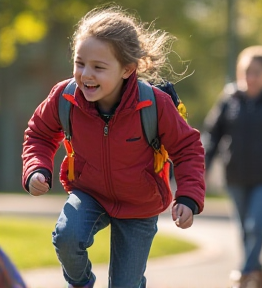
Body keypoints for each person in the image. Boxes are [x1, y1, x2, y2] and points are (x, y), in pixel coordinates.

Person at [21, 5, 205, 288]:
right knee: (67, 237)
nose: (86, 75)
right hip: (89, 192)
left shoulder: (154, 104)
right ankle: (81, 283)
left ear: (127, 69)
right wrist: (36, 168)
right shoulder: (65, 96)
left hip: (141, 205)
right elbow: (40, 135)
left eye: (98, 67)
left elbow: (187, 148)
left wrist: (189, 197)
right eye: (80, 63)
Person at [203, 45, 262, 288]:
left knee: (254, 225)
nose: (250, 78)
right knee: (243, 229)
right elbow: (213, 135)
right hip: (235, 175)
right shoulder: (229, 99)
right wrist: (204, 167)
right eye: (246, 72)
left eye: (256, 72)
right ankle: (258, 271)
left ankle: (245, 271)